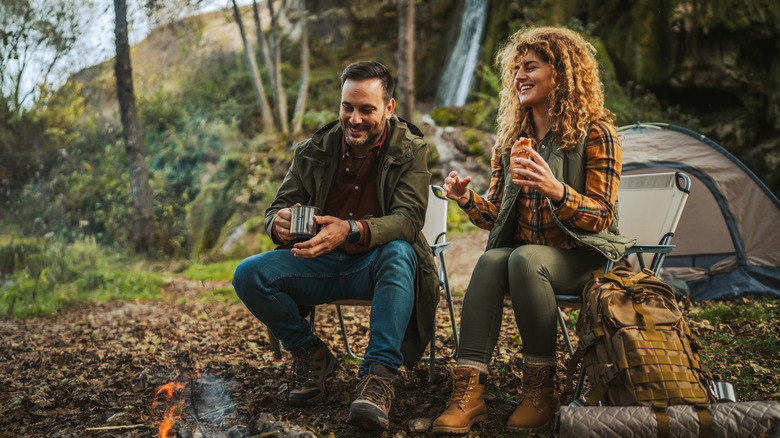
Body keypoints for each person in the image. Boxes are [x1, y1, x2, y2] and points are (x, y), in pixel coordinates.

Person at [431, 27, 634, 434]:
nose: (519, 76)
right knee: (492, 260)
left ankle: (540, 389)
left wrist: (556, 190)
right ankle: (469, 393)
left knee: (525, 257)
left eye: (530, 67)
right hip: (530, 261)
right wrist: (467, 201)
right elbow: (497, 219)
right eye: (516, 69)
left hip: (588, 259)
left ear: (560, 74)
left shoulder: (597, 134)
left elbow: (600, 217)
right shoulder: (511, 142)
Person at [232, 61, 438, 431]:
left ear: (388, 109)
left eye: (366, 109)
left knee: (399, 251)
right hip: (318, 264)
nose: (354, 119)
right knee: (248, 273)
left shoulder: (411, 150)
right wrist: (277, 225)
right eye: (347, 107)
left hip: (374, 267)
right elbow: (276, 209)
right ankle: (311, 355)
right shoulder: (313, 149)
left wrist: (350, 229)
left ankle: (377, 377)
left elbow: (408, 221)